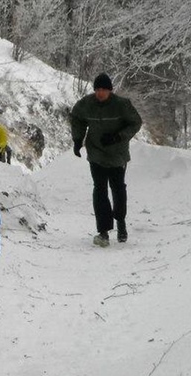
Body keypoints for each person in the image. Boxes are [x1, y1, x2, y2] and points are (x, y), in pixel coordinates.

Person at [71, 73, 142, 246]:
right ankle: (103, 231)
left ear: (110, 90)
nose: (100, 93)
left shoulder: (121, 105)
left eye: (103, 89)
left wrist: (118, 137)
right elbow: (76, 118)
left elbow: (136, 122)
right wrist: (78, 140)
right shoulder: (86, 104)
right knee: (100, 190)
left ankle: (121, 222)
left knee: (118, 188)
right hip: (96, 153)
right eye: (97, 89)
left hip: (117, 154)